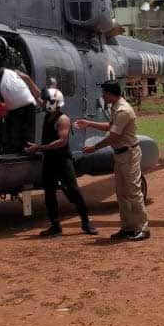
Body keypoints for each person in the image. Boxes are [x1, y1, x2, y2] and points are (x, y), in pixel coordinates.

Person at [74, 81, 150, 241]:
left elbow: (113, 136)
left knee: (134, 192)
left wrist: (93, 148)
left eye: (104, 93)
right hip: (120, 155)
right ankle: (128, 227)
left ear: (111, 93)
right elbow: (110, 126)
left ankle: (143, 228)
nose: (102, 96)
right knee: (121, 193)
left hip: (129, 154)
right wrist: (89, 123)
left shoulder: (123, 110)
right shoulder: (116, 107)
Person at [24, 88, 98, 237]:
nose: (43, 103)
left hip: (62, 160)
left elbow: (61, 142)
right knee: (49, 192)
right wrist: (25, 79)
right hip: (49, 160)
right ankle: (55, 225)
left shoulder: (62, 119)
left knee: (73, 191)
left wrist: (39, 147)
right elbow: (38, 94)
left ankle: (86, 222)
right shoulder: (49, 113)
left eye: (46, 101)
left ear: (54, 103)